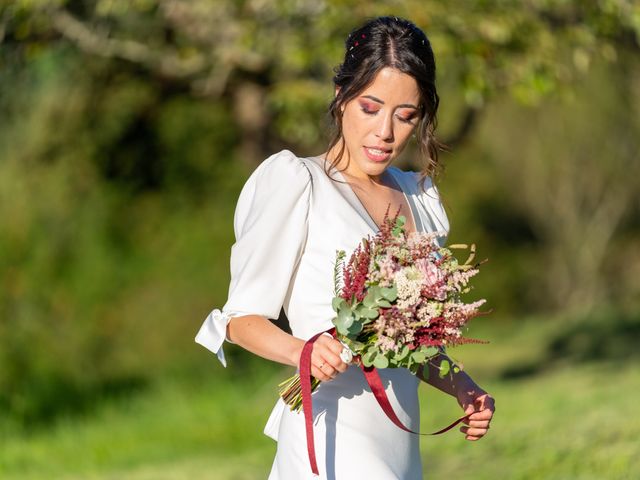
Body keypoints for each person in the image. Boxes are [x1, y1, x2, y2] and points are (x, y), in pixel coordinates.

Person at [196, 16, 495, 479]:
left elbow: (412, 341)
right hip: (328, 433)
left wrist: (464, 388)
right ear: (341, 98)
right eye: (370, 108)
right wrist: (304, 352)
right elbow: (239, 322)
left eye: (406, 115)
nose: (386, 133)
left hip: (397, 438)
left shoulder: (419, 197)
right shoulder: (299, 184)